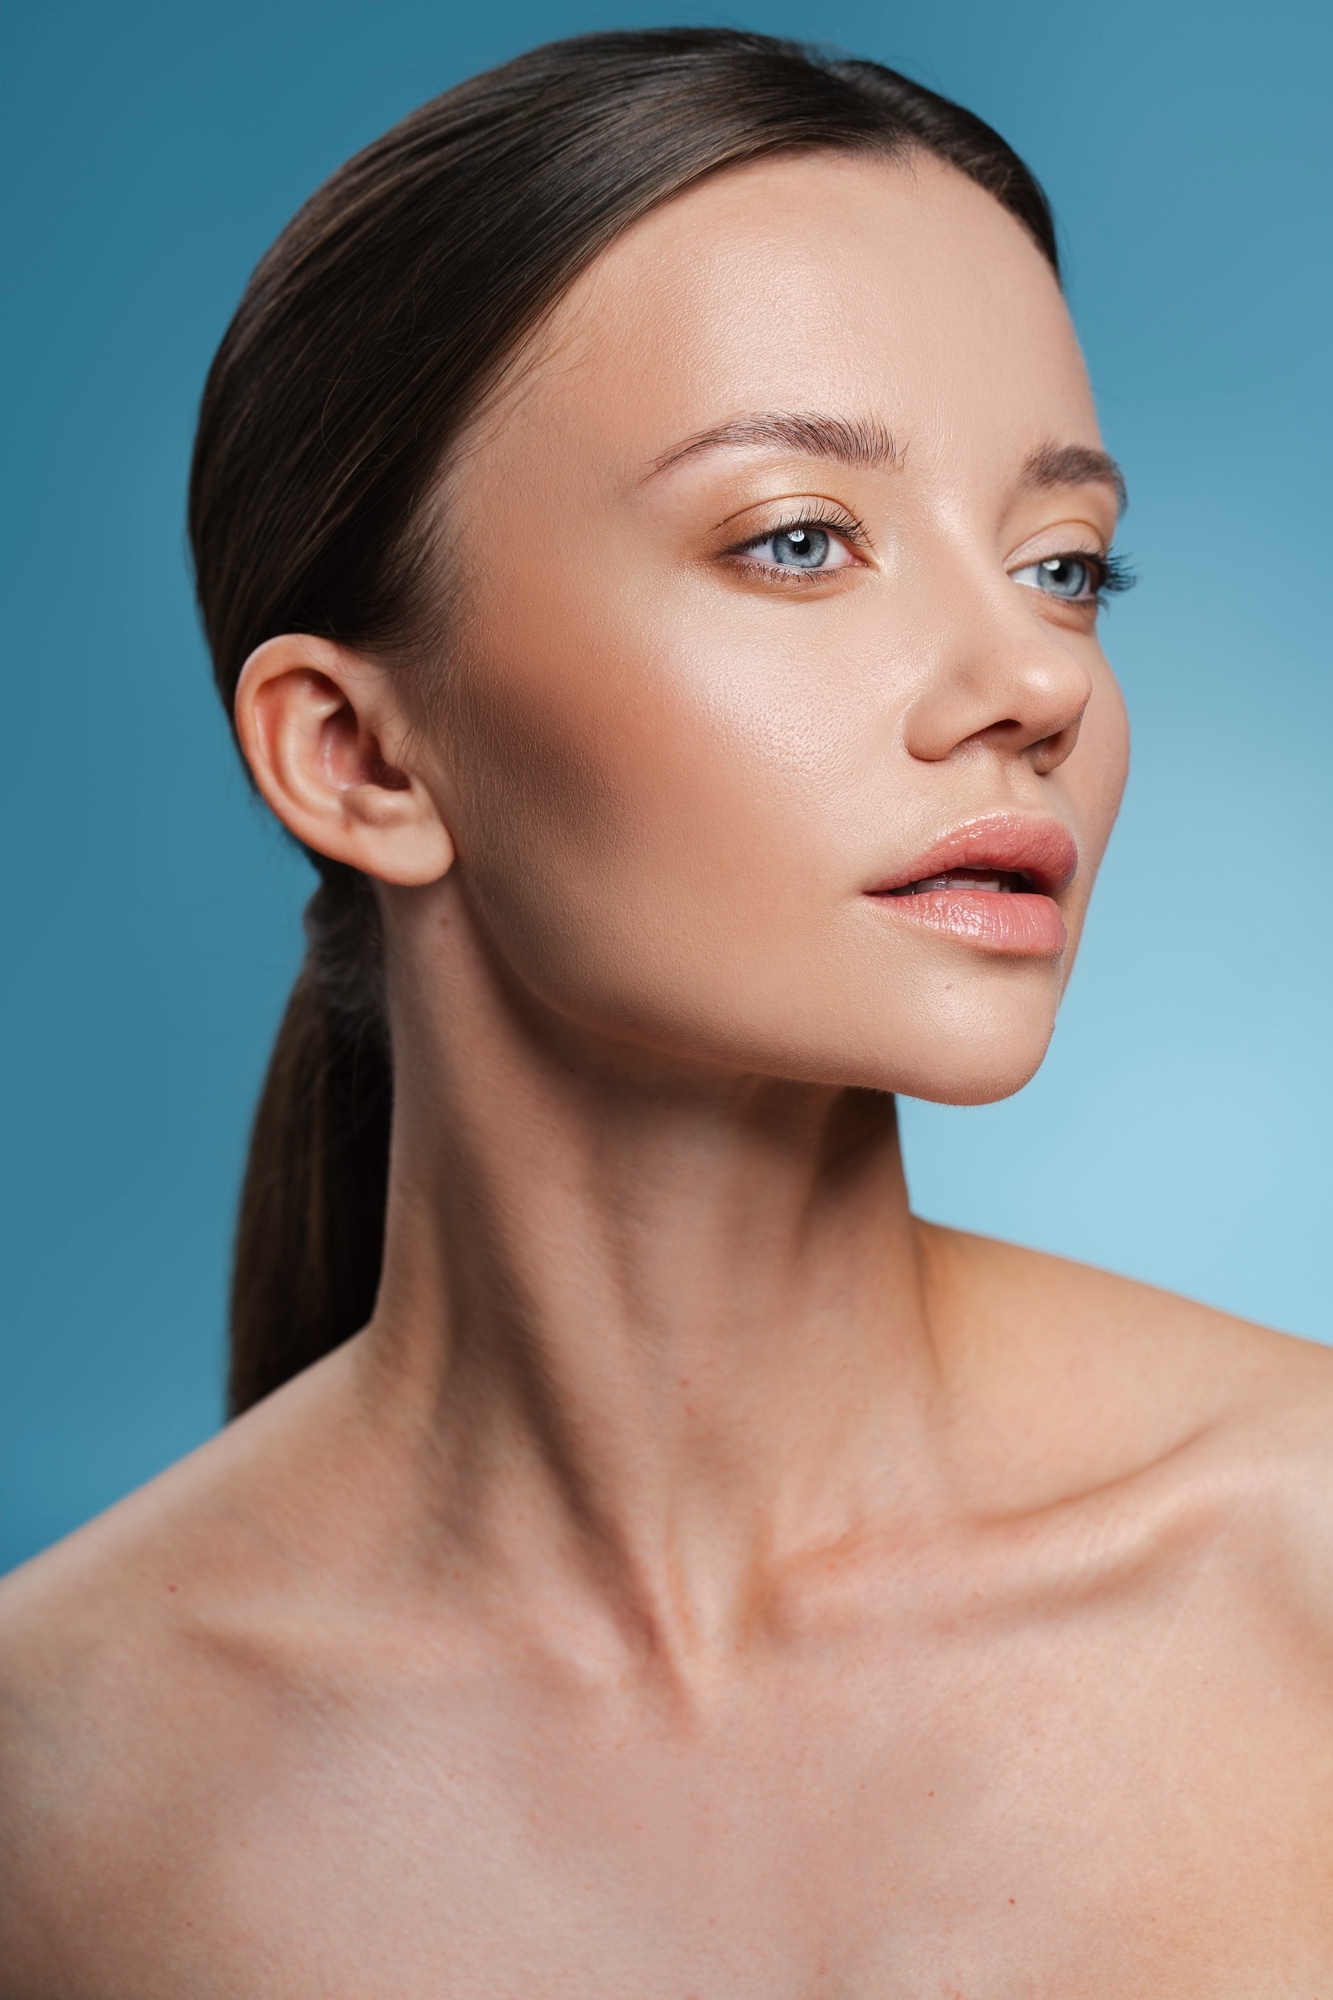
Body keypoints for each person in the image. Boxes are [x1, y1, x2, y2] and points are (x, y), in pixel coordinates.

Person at [2, 28, 1330, 1993]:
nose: (1029, 682)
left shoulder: (1301, 1569)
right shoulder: (59, 1788)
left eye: (1062, 564)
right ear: (358, 754)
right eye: (796, 538)